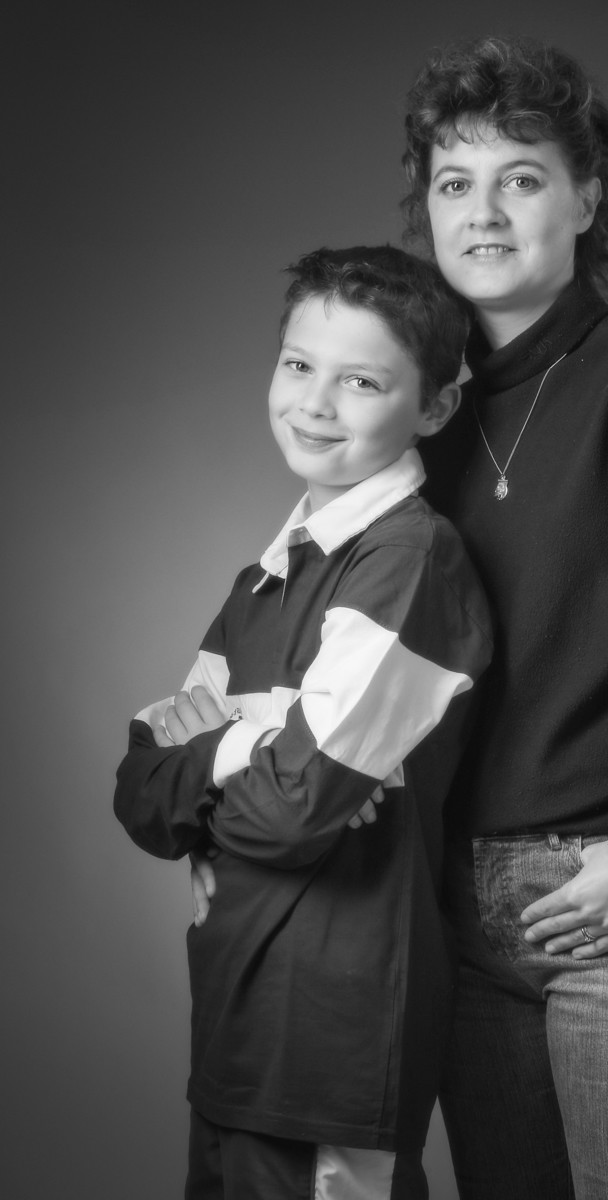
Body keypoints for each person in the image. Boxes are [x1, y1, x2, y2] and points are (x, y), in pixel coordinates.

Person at [192, 34, 608, 1200]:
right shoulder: (411, 413)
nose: (482, 212)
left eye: (521, 178)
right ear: (427, 210)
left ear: (587, 198)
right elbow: (324, 646)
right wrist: (212, 806)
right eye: (454, 182)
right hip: (446, 907)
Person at [113, 245, 493, 1200]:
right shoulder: (266, 577)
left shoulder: (410, 563)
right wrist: (248, 751)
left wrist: (219, 769)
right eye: (298, 365)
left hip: (335, 1029)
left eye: (362, 381)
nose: (316, 404)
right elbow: (140, 793)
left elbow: (286, 818)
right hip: (236, 1015)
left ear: (435, 406)